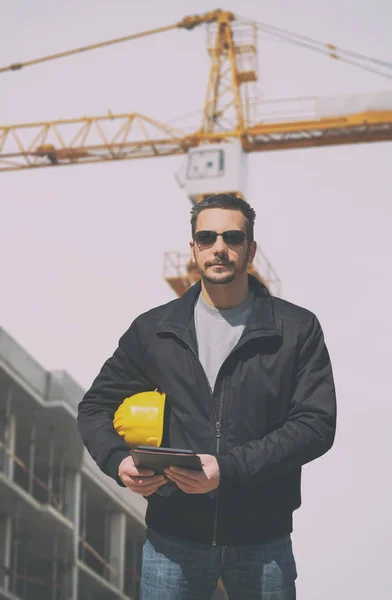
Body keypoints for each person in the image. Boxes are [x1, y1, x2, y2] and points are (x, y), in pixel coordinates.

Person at [77, 193, 337, 600]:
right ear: (193, 248)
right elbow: (94, 407)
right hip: (172, 542)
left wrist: (228, 469)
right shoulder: (154, 331)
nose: (219, 247)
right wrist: (118, 461)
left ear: (251, 249)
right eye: (207, 237)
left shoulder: (297, 329)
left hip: (262, 541)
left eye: (232, 236)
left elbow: (316, 425)